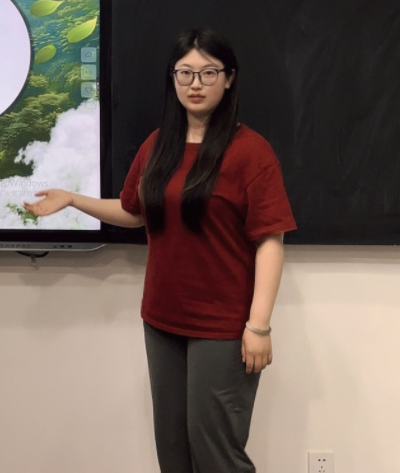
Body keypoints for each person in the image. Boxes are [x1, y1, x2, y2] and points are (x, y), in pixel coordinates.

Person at [23, 27, 295, 473]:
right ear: (172, 78)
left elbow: (269, 239)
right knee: (172, 449)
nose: (195, 83)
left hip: (223, 326)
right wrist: (72, 199)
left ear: (229, 78)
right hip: (162, 319)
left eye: (208, 72)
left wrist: (259, 326)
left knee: (216, 451)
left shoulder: (251, 152)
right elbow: (134, 212)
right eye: (185, 72)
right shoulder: (158, 145)